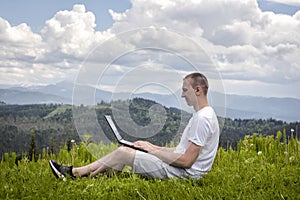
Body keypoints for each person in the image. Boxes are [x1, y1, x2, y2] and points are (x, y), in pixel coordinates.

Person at [49, 72, 220, 180]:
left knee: (124, 152)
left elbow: (187, 161)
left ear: (198, 90)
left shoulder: (202, 119)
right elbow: (180, 151)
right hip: (180, 170)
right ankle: (80, 175)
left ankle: (75, 174)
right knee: (125, 151)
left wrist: (153, 152)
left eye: (185, 90)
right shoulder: (201, 115)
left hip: (184, 175)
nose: (182, 95)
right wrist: (151, 147)